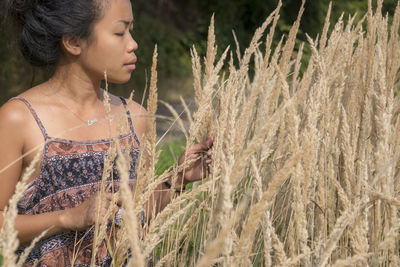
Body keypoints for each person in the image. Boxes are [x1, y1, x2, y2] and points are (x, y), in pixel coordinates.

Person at [0, 0, 213, 265]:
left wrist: (177, 179)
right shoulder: (19, 118)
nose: (133, 44)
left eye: (131, 31)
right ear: (74, 41)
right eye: (120, 32)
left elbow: (135, 214)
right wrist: (68, 217)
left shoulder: (135, 117)